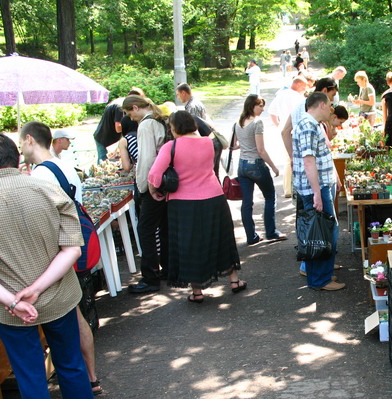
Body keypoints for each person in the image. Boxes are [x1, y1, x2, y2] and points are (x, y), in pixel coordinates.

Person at [0, 132, 104, 399]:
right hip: (57, 295)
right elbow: (72, 249)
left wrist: (14, 299)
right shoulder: (46, 189)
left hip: (9, 307)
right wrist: (38, 288)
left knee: (30, 377)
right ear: (16, 158)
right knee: (69, 363)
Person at [20, 122, 103, 395]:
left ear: (29, 140)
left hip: (59, 253)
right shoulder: (63, 166)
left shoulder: (41, 175)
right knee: (79, 316)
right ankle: (91, 377)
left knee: (70, 321)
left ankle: (81, 382)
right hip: (75, 245)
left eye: (21, 142)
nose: (20, 147)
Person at [147, 111, 245, 302]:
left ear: (175, 128)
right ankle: (234, 281)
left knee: (189, 244)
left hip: (183, 203)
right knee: (221, 238)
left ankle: (197, 292)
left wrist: (153, 190)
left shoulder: (170, 147)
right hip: (214, 198)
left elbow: (155, 174)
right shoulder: (209, 143)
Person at [292, 92, 345, 291]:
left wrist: (334, 178)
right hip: (316, 188)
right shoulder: (308, 125)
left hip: (321, 185)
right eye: (330, 105)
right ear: (321, 104)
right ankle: (320, 280)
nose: (331, 109)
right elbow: (309, 161)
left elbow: (322, 156)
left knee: (323, 230)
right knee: (322, 232)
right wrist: (316, 193)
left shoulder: (312, 124)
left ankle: (322, 273)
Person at [122, 95, 168, 294]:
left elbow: (146, 160)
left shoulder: (146, 125)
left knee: (145, 230)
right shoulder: (159, 120)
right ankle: (168, 268)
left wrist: (144, 187)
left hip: (153, 184)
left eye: (128, 113)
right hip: (164, 181)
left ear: (135, 107)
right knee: (164, 227)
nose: (129, 117)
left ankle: (151, 278)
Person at [233, 95, 287, 246]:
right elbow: (261, 150)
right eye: (260, 106)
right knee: (270, 197)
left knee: (246, 203)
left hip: (242, 166)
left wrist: (245, 145)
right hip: (256, 165)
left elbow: (234, 145)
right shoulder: (257, 122)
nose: (263, 109)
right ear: (252, 106)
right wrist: (273, 166)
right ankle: (271, 232)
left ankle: (251, 237)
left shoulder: (238, 122)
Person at [93, 87, 144, 163]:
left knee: (115, 160)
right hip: (104, 138)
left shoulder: (121, 102)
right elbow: (118, 127)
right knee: (104, 162)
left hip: (110, 137)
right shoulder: (120, 107)